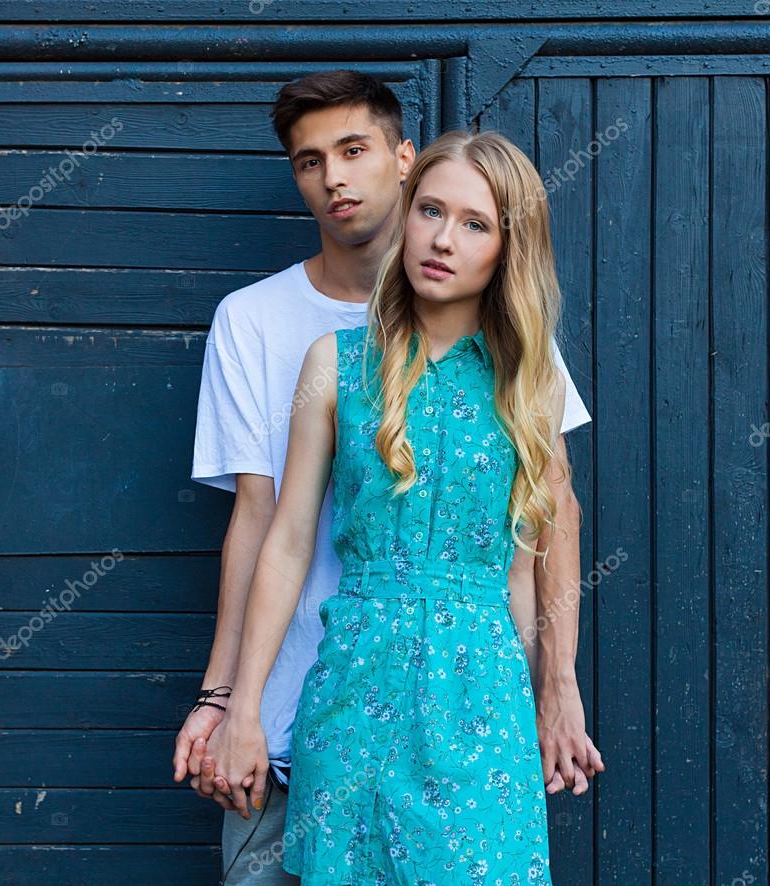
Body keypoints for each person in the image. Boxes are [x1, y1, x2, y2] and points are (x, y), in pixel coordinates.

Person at [172, 70, 602, 885]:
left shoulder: (526, 378)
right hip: (352, 692)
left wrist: (558, 684)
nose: (443, 238)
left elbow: (541, 540)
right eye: (433, 213)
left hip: (481, 704)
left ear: (509, 245)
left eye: (476, 224)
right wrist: (239, 702)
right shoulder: (333, 363)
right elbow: (285, 535)